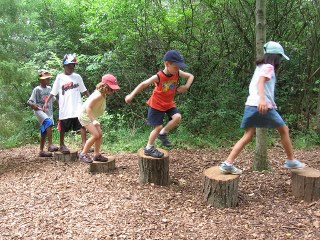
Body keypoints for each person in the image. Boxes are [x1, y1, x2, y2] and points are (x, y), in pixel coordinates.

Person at [219, 41, 305, 175]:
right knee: (284, 129)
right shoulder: (269, 67)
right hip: (262, 106)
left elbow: (259, 84)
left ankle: (227, 163)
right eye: (280, 58)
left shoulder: (260, 67)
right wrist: (263, 100)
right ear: (276, 57)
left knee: (247, 135)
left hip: (251, 104)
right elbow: (260, 83)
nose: (279, 61)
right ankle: (291, 160)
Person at [125, 50, 194, 158]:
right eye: (176, 67)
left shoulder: (177, 73)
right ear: (167, 64)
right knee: (157, 127)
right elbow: (144, 84)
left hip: (168, 103)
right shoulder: (159, 76)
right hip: (156, 104)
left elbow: (190, 76)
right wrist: (131, 95)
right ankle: (148, 148)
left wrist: (186, 86)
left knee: (177, 117)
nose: (178, 70)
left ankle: (163, 133)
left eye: (178, 68)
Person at [43, 53, 89, 153]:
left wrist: (90, 100)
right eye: (69, 65)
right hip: (65, 107)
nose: (71, 67)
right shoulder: (60, 78)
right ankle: (62, 144)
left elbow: (84, 90)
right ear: (64, 65)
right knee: (63, 126)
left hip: (77, 106)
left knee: (82, 124)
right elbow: (53, 92)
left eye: (73, 65)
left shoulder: (77, 77)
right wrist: (46, 102)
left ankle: (84, 144)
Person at [78, 74, 120, 163]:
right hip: (85, 116)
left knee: (100, 135)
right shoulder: (99, 95)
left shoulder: (102, 93)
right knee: (96, 135)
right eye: (112, 88)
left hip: (90, 116)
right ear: (105, 86)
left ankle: (96, 155)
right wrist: (93, 120)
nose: (113, 91)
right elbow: (88, 107)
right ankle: (83, 154)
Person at [27, 70, 59, 157]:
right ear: (40, 80)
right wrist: (33, 105)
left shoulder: (49, 89)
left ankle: (41, 151)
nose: (48, 80)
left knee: (44, 130)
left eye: (48, 78)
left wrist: (61, 106)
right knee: (48, 122)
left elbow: (54, 100)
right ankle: (50, 145)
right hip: (39, 111)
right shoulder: (37, 89)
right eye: (46, 78)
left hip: (48, 112)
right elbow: (29, 101)